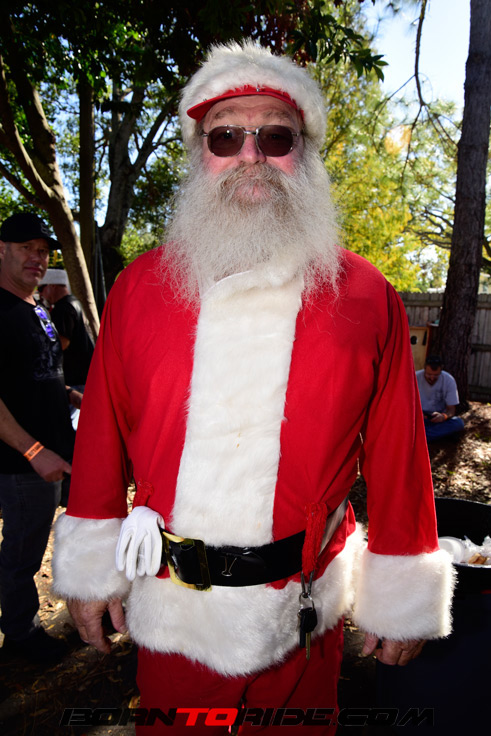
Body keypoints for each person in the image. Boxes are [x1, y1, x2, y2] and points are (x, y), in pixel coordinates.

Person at [52, 41, 454, 733]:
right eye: (225, 137)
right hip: (173, 612)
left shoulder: (367, 296)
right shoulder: (139, 288)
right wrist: (90, 574)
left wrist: (401, 597)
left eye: (275, 137)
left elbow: (398, 454)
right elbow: (102, 438)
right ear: (198, 153)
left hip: (302, 620)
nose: (250, 155)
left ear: (305, 153)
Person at [0, 212, 81, 663]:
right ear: (1, 250)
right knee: (22, 553)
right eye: (26, 248)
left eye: (43, 250)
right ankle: (20, 635)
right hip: (22, 464)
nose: (37, 257)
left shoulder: (37, 307)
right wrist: (33, 451)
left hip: (58, 452)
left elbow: (34, 371)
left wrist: (70, 395)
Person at [40, 268, 94, 430]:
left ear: (52, 286)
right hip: (83, 374)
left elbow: (61, 343)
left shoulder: (63, 308)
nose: (41, 294)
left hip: (75, 378)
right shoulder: (74, 302)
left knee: (70, 424)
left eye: (41, 289)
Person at [416, 355, 465, 442]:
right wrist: (417, 414)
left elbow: (451, 409)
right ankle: (429, 436)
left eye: (436, 375)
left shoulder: (449, 380)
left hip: (439, 419)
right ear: (424, 369)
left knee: (458, 423)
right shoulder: (415, 377)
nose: (432, 378)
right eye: (429, 374)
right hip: (418, 418)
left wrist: (443, 416)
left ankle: (421, 436)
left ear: (441, 371)